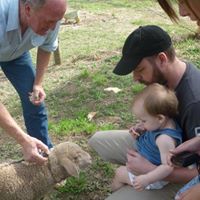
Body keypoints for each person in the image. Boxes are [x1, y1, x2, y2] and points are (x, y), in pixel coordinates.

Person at [88, 25, 200, 200]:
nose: (135, 78)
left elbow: (197, 176)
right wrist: (144, 126)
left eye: (139, 70)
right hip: (154, 145)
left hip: (175, 172)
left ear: (162, 59)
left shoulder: (195, 102)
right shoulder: (164, 78)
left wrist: (149, 170)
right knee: (97, 141)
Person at [0, 0, 66, 163]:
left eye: (56, 22)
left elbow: (47, 46)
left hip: (16, 55)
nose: (53, 27)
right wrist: (23, 139)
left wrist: (38, 83)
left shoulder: (51, 15)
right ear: (28, 9)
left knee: (35, 100)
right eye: (49, 22)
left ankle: (44, 156)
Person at [111, 83, 182, 192]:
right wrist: (139, 134)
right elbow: (151, 137)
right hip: (147, 164)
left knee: (119, 173)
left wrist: (146, 179)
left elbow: (168, 167)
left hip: (154, 178)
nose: (140, 123)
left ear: (160, 118)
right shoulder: (160, 124)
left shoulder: (164, 139)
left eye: (143, 120)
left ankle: (114, 193)